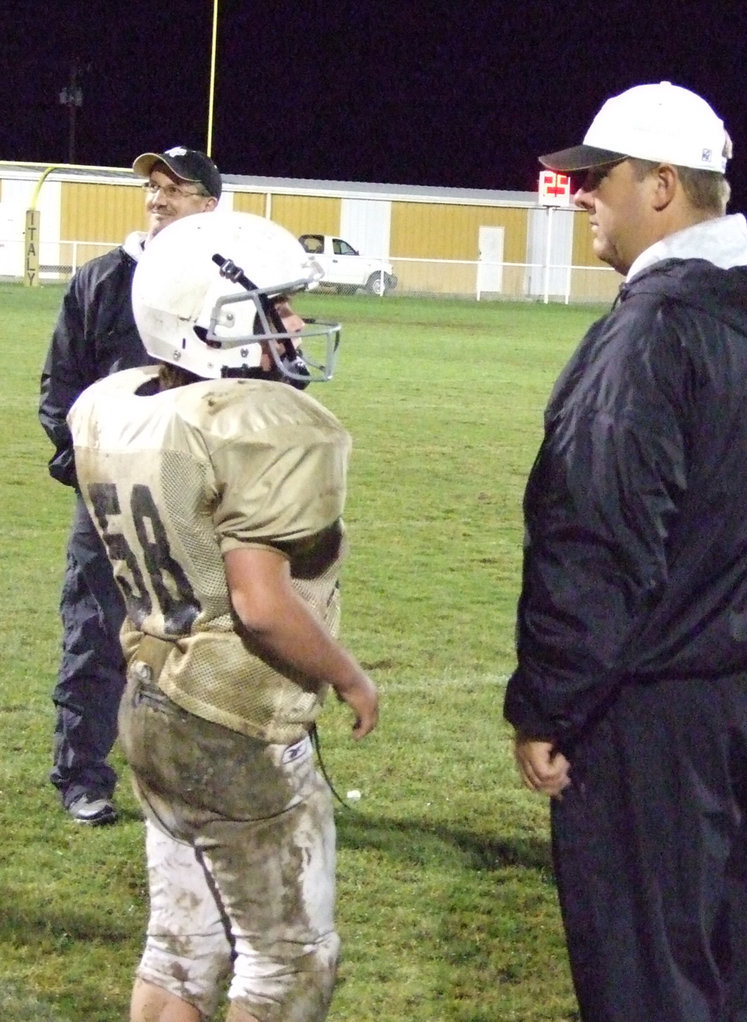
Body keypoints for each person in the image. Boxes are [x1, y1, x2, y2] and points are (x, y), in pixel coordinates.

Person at [504, 82, 747, 1022]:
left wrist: (547, 705)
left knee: (650, 985)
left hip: (668, 708)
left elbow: (596, 543)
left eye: (596, 178)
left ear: (661, 186)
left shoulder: (655, 326)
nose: (580, 195)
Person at [67, 210, 378, 1021]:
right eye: (274, 308)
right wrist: (348, 676)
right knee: (286, 966)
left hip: (150, 697)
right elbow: (261, 602)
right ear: (212, 320)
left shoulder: (114, 405)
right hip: (236, 718)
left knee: (179, 950)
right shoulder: (262, 427)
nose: (295, 323)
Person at [39, 145, 222, 825]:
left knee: (199, 642)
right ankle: (82, 775)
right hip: (113, 496)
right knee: (93, 633)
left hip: (196, 498)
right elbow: (60, 385)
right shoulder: (102, 279)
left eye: (175, 188)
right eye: (153, 187)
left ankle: (183, 779)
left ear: (209, 205)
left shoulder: (225, 286)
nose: (157, 198)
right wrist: (82, 465)